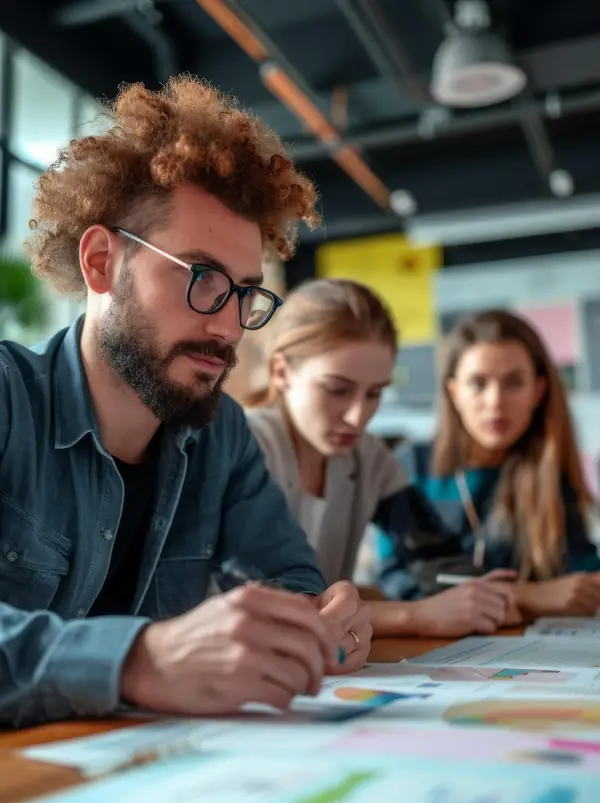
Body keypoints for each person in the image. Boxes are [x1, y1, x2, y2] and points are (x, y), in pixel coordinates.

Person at [0, 77, 371, 729]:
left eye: (246, 294)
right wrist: (139, 661)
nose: (229, 329)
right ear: (100, 263)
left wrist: (322, 620)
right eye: (203, 278)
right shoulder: (8, 402)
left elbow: (294, 586)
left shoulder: (220, 433)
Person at [244, 278, 517, 639]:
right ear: (281, 372)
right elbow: (261, 607)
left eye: (374, 394)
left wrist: (480, 595)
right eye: (337, 390)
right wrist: (416, 616)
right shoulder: (244, 445)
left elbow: (436, 562)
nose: (359, 417)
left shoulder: (367, 456)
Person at [379, 308, 600, 617]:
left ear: (538, 392)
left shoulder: (547, 469)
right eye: (478, 383)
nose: (495, 401)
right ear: (453, 391)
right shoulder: (411, 467)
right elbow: (399, 581)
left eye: (513, 382)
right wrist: (523, 594)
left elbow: (577, 576)